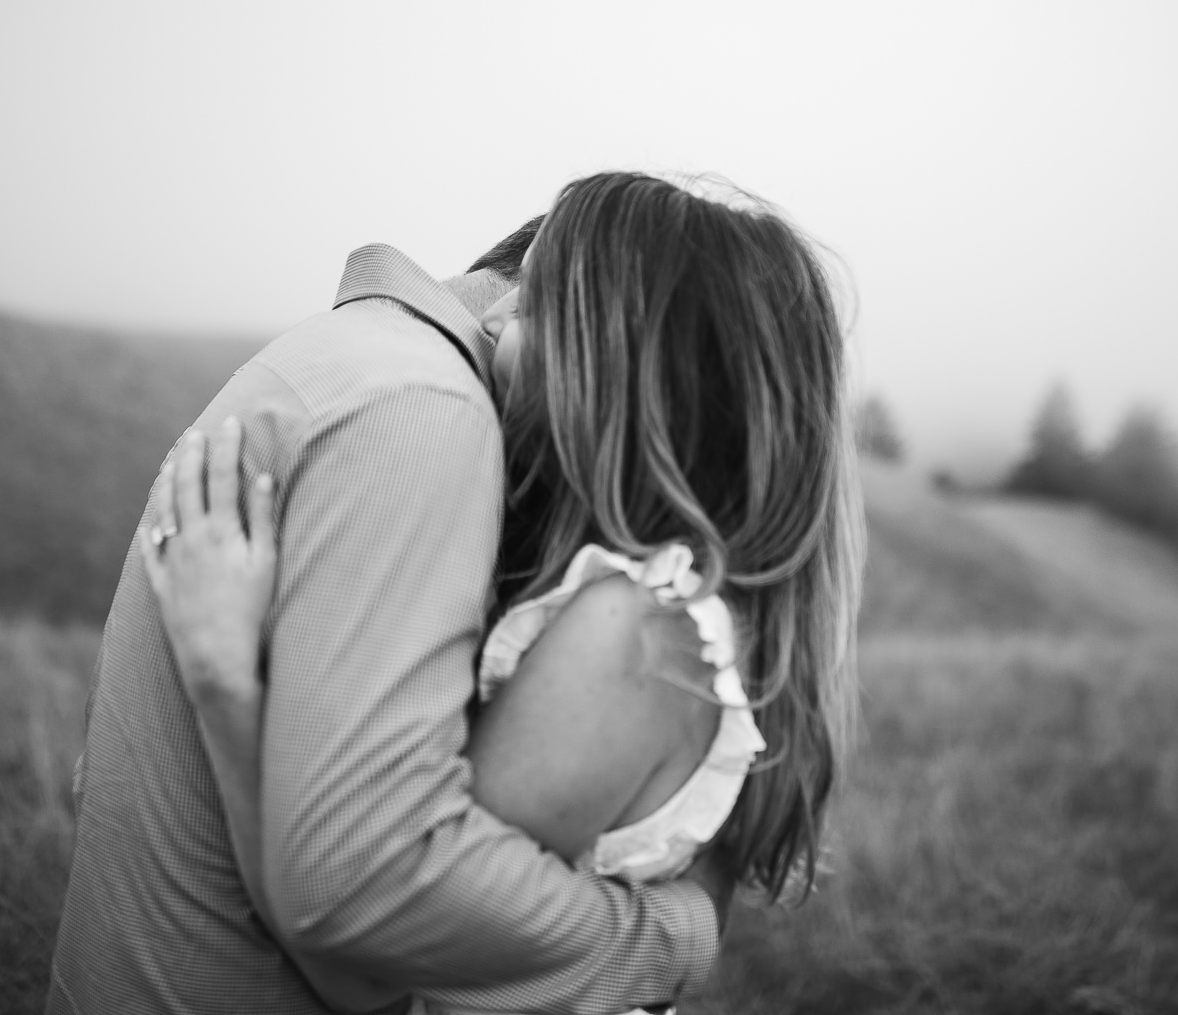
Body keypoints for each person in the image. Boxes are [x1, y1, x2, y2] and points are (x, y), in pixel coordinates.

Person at [137, 172, 865, 1014]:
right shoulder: (651, 620)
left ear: (619, 365)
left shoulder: (631, 637)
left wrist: (224, 681)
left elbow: (364, 957)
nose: (489, 319)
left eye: (538, 304)